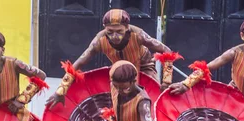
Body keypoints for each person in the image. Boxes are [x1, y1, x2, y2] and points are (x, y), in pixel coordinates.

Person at [46, 8, 175, 109]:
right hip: (119, 72)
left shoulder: (139, 35)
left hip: (144, 67)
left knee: (154, 97)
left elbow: (167, 51)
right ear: (104, 29)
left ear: (127, 28)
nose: (114, 36)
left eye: (119, 31)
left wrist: (166, 81)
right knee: (116, 104)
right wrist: (61, 90)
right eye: (110, 32)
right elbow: (77, 64)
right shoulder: (98, 41)